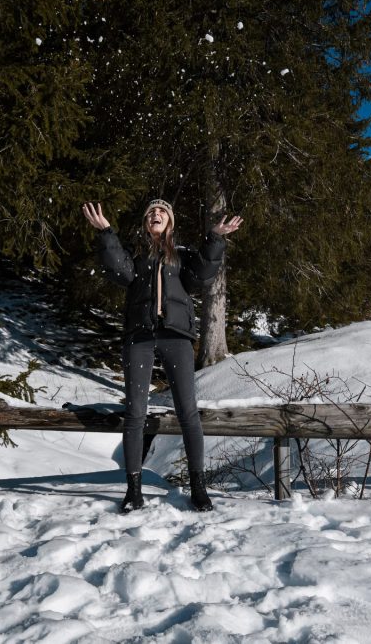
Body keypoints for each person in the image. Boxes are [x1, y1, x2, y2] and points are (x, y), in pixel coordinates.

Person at [82, 199, 243, 513]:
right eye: (150, 212)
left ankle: (198, 489)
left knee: (188, 413)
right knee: (135, 414)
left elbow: (201, 277)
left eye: (162, 212)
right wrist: (105, 233)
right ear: (146, 223)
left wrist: (215, 238)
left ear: (169, 221)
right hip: (139, 336)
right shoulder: (136, 256)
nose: (155, 214)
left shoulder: (181, 256)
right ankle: (133, 490)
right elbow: (121, 272)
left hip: (176, 335)